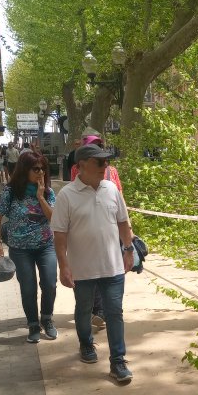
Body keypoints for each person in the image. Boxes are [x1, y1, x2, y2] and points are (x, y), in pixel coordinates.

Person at [51, 144, 135, 383]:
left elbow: (122, 222)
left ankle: (118, 361)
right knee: (84, 310)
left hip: (113, 267)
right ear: (83, 165)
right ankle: (86, 343)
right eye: (100, 162)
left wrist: (128, 250)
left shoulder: (111, 189)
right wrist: (64, 266)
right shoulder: (67, 195)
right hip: (83, 270)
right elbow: (60, 235)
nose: (105, 166)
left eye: (106, 162)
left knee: (115, 313)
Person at [0, 151, 58, 343]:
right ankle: (33, 324)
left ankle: (47, 319)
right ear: (24, 170)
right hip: (20, 250)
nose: (40, 173)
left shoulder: (47, 192)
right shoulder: (10, 192)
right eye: (36, 169)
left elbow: (53, 218)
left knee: (50, 283)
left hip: (45, 246)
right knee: (28, 288)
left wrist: (40, 197)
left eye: (43, 169)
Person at [69, 131, 124, 327]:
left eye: (99, 144)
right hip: (85, 239)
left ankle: (100, 311)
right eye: (94, 144)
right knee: (89, 280)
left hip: (108, 228)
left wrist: (127, 233)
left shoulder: (113, 172)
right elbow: (77, 190)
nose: (99, 147)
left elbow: (119, 196)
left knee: (106, 267)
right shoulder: (79, 171)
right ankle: (91, 314)